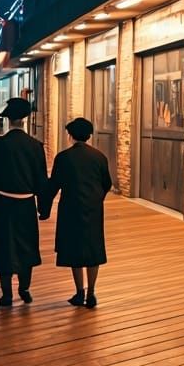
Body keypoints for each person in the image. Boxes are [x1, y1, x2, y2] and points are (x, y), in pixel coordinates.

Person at [0, 97, 50, 307]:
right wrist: (43, 208)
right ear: (25, 119)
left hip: (3, 204)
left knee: (3, 247)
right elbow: (41, 179)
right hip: (26, 204)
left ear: (7, 120)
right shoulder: (36, 146)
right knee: (26, 247)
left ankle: (6, 295)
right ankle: (25, 289)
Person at [44, 117, 112, 309]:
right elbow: (107, 183)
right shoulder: (99, 157)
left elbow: (54, 185)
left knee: (74, 249)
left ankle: (79, 292)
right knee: (93, 248)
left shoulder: (63, 157)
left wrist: (44, 208)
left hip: (70, 208)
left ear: (70, 135)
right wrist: (97, 198)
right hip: (93, 208)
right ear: (89, 135)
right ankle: (91, 293)